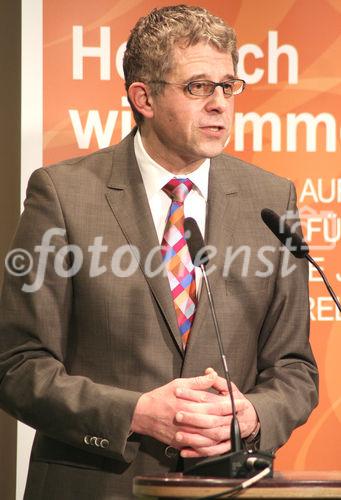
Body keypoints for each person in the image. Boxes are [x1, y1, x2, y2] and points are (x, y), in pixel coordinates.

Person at [0, 5, 318, 500]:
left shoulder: (272, 200)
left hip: (231, 484)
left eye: (228, 86)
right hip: (96, 485)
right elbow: (18, 365)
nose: (219, 104)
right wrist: (135, 413)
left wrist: (254, 414)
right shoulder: (63, 196)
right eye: (197, 87)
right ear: (142, 97)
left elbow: (294, 368)